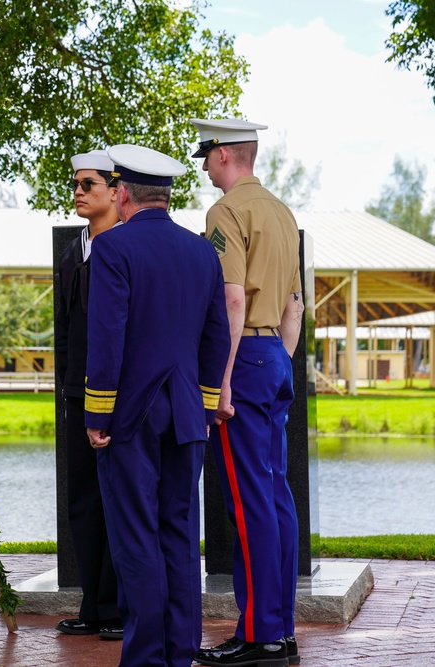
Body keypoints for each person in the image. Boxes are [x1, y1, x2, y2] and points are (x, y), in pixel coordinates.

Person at [84, 144, 230, 667]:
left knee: (135, 534)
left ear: (122, 194)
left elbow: (107, 338)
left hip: (132, 413)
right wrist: (209, 405)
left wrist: (98, 414)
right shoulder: (202, 252)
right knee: (180, 531)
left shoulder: (112, 249)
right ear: (165, 197)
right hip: (187, 412)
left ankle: (146, 657)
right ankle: (181, 650)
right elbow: (217, 337)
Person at [189, 119, 305, 667]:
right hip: (276, 357)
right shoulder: (283, 213)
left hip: (244, 360)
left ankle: (259, 636)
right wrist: (279, 358)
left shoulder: (225, 212)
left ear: (225, 156)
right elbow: (295, 307)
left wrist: (224, 379)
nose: (203, 167)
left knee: (248, 501)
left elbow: (232, 300)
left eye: (206, 157)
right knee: (276, 497)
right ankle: (279, 628)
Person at [54, 150, 124, 640]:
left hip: (120, 397)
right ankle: (93, 606)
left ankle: (120, 608)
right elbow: (66, 330)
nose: (77, 191)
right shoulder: (72, 252)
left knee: (119, 500)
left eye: (88, 184)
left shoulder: (128, 248)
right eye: (76, 184)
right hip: (78, 394)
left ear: (117, 191)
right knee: (82, 500)